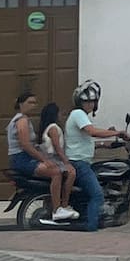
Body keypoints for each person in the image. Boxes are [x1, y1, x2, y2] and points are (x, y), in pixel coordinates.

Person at [64, 81, 127, 232]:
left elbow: (85, 140)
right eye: (86, 101)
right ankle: (91, 228)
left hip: (82, 162)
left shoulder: (81, 117)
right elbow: (92, 132)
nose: (90, 104)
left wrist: (107, 144)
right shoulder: (78, 114)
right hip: (79, 163)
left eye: (92, 101)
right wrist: (117, 132)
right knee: (97, 195)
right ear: (80, 102)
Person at [7, 92, 78, 222]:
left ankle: (53, 204)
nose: (33, 105)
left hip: (23, 158)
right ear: (21, 104)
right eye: (30, 102)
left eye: (34, 103)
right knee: (56, 172)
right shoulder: (22, 120)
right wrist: (44, 159)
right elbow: (26, 145)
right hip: (22, 159)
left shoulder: (22, 119)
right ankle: (57, 209)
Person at [36, 101, 77, 216]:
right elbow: (57, 147)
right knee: (72, 173)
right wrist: (66, 162)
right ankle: (64, 204)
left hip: (53, 158)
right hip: (54, 158)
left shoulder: (47, 128)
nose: (61, 116)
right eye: (59, 113)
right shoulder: (53, 128)